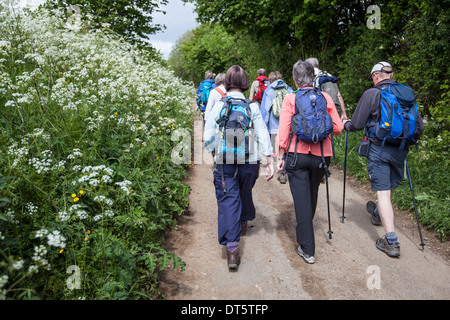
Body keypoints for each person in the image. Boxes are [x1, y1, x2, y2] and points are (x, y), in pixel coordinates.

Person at [343, 61, 424, 258]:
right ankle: (379, 213)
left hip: (379, 148)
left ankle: (391, 241)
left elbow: (357, 124)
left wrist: (346, 124)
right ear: (391, 75)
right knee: (388, 189)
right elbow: (419, 126)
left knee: (383, 193)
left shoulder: (372, 93)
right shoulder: (406, 93)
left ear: (376, 76)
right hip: (401, 149)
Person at [204, 65, 274, 270]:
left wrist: (213, 151)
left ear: (226, 81)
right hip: (250, 159)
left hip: (225, 160)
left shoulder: (220, 105)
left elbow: (208, 137)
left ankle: (232, 248)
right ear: (245, 83)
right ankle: (243, 220)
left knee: (228, 198)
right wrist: (269, 159)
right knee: (244, 191)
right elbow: (261, 133)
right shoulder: (251, 106)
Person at [276, 60, 343, 264]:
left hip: (297, 155)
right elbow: (338, 128)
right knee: (312, 193)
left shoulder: (291, 98)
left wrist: (280, 156)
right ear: (313, 78)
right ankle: (306, 230)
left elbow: (284, 129)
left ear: (295, 80)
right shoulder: (325, 97)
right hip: (322, 155)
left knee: (302, 200)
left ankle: (308, 248)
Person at [260, 71, 293, 158]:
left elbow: (265, 112)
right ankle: (286, 168)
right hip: (288, 128)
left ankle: (277, 168)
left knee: (275, 153)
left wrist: (264, 129)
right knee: (288, 150)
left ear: (270, 80)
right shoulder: (289, 89)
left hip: (273, 128)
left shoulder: (268, 91)